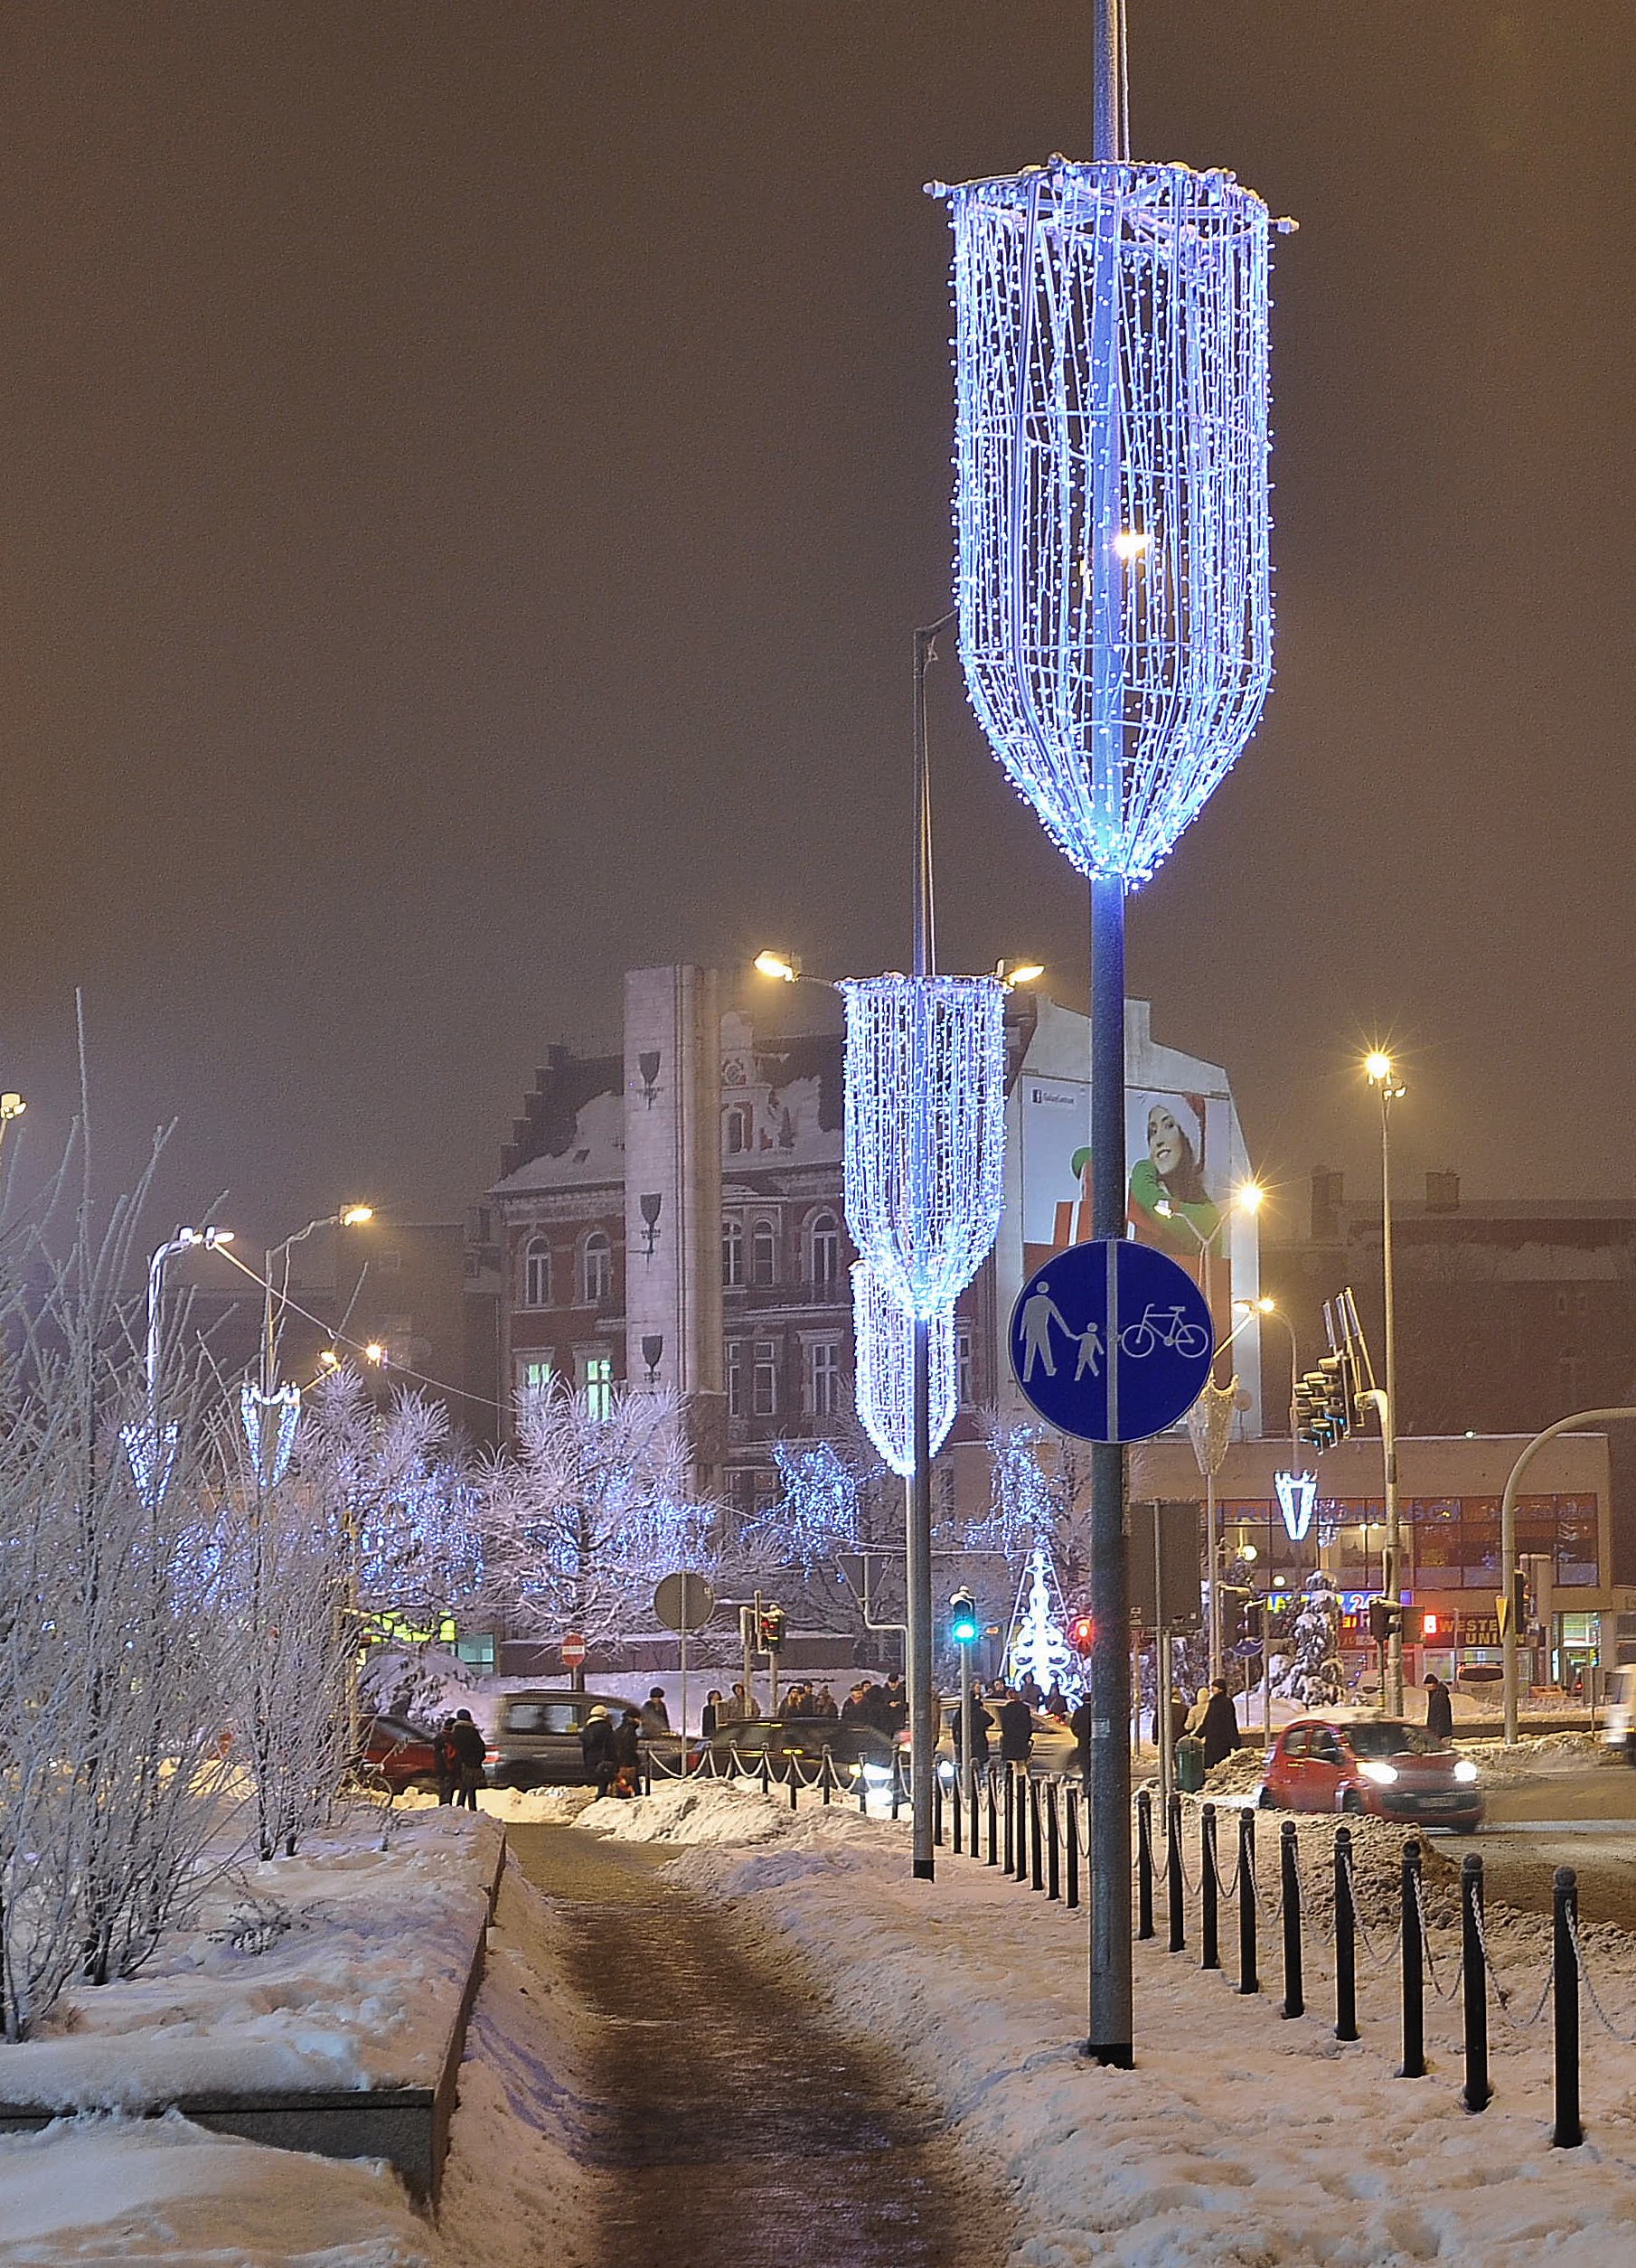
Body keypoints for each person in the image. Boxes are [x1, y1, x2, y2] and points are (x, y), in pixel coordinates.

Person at [448, 1709, 488, 1811]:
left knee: (463, 1786)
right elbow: (480, 1748)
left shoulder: (455, 1732)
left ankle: (459, 1808)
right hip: (472, 1764)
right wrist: (478, 1761)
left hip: (459, 1763)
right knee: (471, 1788)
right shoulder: (472, 1731)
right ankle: (471, 1809)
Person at [1199, 1680, 1241, 1772]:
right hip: (1220, 1742)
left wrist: (1235, 1743)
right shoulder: (1216, 1703)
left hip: (1216, 1741)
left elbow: (1229, 1723)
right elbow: (1207, 1723)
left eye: (1215, 1686)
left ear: (1221, 1689)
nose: (1212, 1689)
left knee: (1213, 1767)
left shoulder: (1220, 1703)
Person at [580, 1704, 616, 1797]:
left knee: (600, 1784)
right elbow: (611, 1745)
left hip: (591, 1760)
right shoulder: (606, 1728)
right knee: (603, 1786)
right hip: (604, 1760)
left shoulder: (587, 1729)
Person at [996, 1689, 1034, 1769]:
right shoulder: (1024, 1708)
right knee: (1021, 1766)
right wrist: (1026, 1738)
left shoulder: (1004, 1710)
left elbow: (1004, 1727)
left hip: (1009, 1742)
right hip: (1021, 1742)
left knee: (1008, 1767)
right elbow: (1028, 1726)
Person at [433, 1717, 458, 1807]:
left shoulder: (439, 1737)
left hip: (440, 1767)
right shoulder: (450, 1739)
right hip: (449, 1767)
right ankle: (446, 1806)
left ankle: (443, 1806)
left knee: (443, 1789)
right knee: (448, 1789)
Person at [1425, 1673, 1454, 1744]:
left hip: (1441, 1733)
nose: (1426, 1688)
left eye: (1428, 1686)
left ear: (1433, 1684)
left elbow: (1439, 1716)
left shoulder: (1439, 1696)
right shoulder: (1435, 1694)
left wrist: (1435, 1733)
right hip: (1440, 1733)